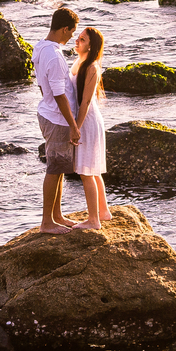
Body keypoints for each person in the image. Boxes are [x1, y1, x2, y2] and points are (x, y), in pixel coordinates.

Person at [32, 7, 81, 234]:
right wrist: (73, 125)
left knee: (59, 168)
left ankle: (57, 215)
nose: (72, 36)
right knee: (54, 169)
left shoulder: (41, 47)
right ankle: (46, 223)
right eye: (72, 32)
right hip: (58, 120)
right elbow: (59, 94)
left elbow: (43, 87)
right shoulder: (55, 56)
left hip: (48, 113)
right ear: (64, 29)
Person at [70, 27, 111, 229]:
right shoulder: (80, 62)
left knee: (87, 171)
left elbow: (85, 102)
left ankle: (94, 220)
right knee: (93, 171)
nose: (77, 42)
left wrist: (76, 127)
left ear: (91, 45)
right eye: (77, 38)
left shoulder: (92, 67)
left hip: (87, 121)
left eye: (82, 39)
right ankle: (103, 212)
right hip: (85, 119)